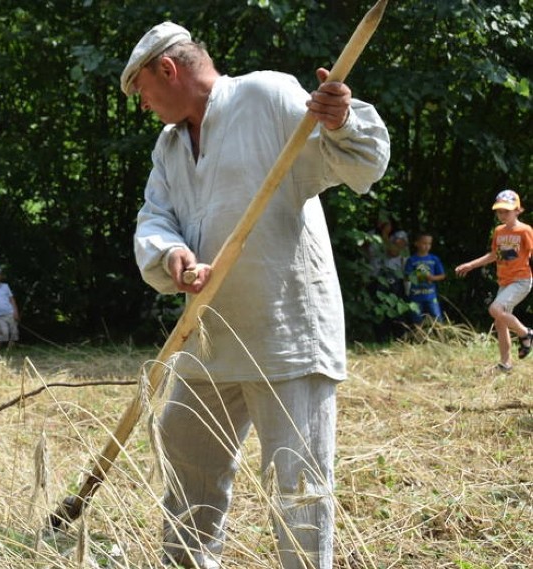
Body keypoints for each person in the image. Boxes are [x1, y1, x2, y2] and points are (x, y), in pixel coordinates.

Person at [123, 22, 390, 569]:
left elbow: (355, 161)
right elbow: (156, 217)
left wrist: (340, 120)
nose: (144, 105)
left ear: (167, 70)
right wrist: (172, 256)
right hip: (211, 334)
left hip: (287, 332)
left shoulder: (264, 95)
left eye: (142, 91)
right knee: (184, 454)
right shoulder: (169, 145)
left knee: (299, 487)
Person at [455, 189, 533, 372]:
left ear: (518, 210)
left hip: (521, 280)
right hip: (504, 282)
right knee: (500, 322)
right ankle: (505, 364)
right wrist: (471, 265)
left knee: (495, 309)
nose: (502, 214)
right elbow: (494, 255)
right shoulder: (498, 231)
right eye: (499, 211)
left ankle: (526, 333)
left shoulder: (525, 230)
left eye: (507, 211)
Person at [404, 232, 446, 325]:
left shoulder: (434, 259)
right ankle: (419, 338)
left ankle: (441, 337)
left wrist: (432, 278)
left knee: (437, 318)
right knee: (416, 319)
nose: (427, 246)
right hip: (416, 295)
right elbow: (406, 277)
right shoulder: (412, 260)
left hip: (431, 295)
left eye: (429, 244)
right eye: (424, 243)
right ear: (416, 243)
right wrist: (417, 276)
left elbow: (442, 275)